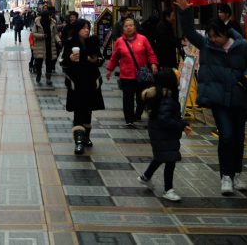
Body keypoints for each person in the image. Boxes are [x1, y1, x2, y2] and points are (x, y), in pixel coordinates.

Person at [175, 0, 247, 195]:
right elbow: (189, 32)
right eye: (210, 37)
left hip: (239, 98)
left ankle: (237, 174)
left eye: (216, 36)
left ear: (226, 34)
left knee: (238, 138)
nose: (213, 40)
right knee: (226, 136)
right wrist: (186, 12)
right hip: (219, 99)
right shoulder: (207, 46)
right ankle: (226, 177)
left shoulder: (241, 47)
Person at [137, 67, 192, 202]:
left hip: (160, 134)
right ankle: (168, 190)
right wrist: (181, 125)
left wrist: (182, 124)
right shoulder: (167, 98)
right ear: (170, 81)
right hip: (164, 134)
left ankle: (145, 176)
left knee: (160, 156)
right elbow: (165, 119)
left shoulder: (162, 95)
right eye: (177, 77)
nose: (180, 79)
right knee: (170, 160)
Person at [105, 16, 159, 125]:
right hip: (126, 75)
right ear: (123, 29)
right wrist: (109, 69)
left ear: (135, 27)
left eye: (131, 25)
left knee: (141, 98)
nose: (129, 28)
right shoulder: (120, 41)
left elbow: (150, 53)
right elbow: (114, 57)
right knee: (128, 98)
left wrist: (153, 63)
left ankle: (137, 114)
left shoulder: (142, 39)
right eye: (126, 26)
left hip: (141, 75)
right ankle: (129, 118)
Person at [61, 19, 104, 154]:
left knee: (88, 110)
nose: (86, 30)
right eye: (84, 28)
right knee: (79, 110)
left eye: (88, 28)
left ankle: (86, 137)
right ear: (77, 29)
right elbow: (62, 62)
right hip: (76, 82)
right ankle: (78, 142)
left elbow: (101, 59)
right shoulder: (70, 42)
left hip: (91, 81)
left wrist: (95, 60)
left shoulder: (92, 42)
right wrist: (70, 59)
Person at [31, 10, 60, 85]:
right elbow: (33, 33)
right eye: (47, 16)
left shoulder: (53, 23)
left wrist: (59, 41)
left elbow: (55, 34)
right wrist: (42, 36)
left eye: (49, 16)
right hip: (40, 45)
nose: (49, 17)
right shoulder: (37, 23)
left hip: (50, 45)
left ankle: (48, 78)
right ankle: (39, 74)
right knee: (39, 62)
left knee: (49, 63)